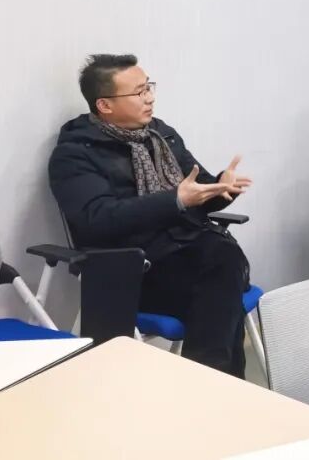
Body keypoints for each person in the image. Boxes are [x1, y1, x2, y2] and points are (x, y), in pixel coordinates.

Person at [49, 54, 252, 377]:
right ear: (105, 105)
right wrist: (175, 201)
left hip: (188, 252)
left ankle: (209, 386)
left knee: (221, 271)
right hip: (132, 267)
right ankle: (217, 385)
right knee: (223, 284)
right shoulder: (75, 155)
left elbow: (195, 192)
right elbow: (97, 220)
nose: (150, 98)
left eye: (149, 87)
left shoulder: (160, 134)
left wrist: (220, 187)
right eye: (139, 92)